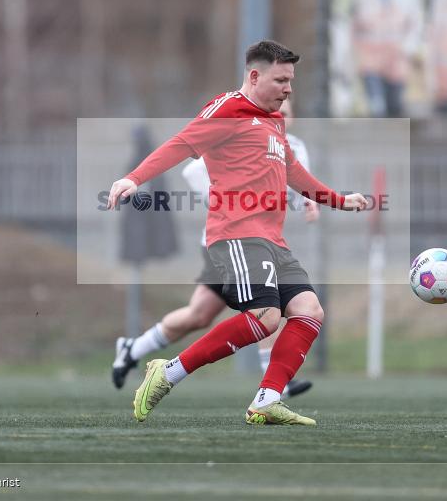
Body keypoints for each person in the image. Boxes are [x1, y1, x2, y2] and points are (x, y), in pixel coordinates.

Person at [107, 40, 367, 425]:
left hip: (273, 240)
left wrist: (338, 200)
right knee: (265, 317)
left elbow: (294, 172)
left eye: (291, 81)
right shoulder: (228, 108)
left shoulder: (274, 122)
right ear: (255, 76)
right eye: (281, 80)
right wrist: (134, 178)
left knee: (309, 311)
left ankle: (267, 399)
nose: (288, 89)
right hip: (236, 235)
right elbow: (182, 144)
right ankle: (168, 372)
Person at [111, 98, 320, 402]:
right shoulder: (245, 138)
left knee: (199, 314)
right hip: (230, 242)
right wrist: (229, 204)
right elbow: (192, 172)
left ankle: (133, 348)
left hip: (261, 242)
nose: (280, 117)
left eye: (286, 113)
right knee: (267, 304)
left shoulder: (295, 148)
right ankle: (274, 384)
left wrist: (310, 202)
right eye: (276, 111)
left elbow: (300, 189)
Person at [350, 0, 422, 118]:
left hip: (397, 64)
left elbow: (415, 25)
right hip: (371, 64)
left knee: (395, 110)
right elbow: (354, 26)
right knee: (377, 109)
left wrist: (407, 49)